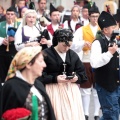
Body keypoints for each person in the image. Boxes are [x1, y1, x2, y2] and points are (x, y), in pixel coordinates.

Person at [39, 28, 88, 120]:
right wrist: (55, 79)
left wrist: (76, 78)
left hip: (72, 92)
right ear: (57, 41)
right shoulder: (45, 54)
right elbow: (38, 75)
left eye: (69, 46)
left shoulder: (73, 55)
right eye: (64, 45)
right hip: (53, 91)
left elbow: (83, 74)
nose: (67, 48)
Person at [0, 46, 56, 120]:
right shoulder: (11, 87)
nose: (44, 65)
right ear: (28, 64)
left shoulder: (39, 85)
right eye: (41, 61)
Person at [71, 3, 101, 120]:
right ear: (88, 17)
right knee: (85, 89)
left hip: (99, 62)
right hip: (85, 61)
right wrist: (82, 43)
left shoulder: (102, 30)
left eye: (97, 16)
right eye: (93, 16)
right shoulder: (82, 29)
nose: (95, 19)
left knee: (97, 89)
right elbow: (73, 44)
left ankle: (97, 114)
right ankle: (85, 113)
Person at [90, 11, 119, 120]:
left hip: (117, 84)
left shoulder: (116, 41)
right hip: (106, 85)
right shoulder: (97, 43)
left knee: (112, 114)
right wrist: (109, 53)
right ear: (105, 30)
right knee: (111, 115)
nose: (116, 29)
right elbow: (94, 63)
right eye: (113, 27)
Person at [0, 7, 20, 85]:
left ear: (15, 16)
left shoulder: (19, 25)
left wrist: (15, 39)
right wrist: (2, 40)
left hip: (14, 50)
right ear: (5, 15)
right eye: (8, 14)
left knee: (13, 72)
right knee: (2, 73)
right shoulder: (1, 24)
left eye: (12, 14)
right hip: (2, 51)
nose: (10, 16)